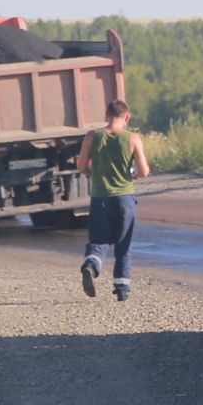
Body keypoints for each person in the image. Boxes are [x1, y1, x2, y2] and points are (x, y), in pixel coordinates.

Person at [76, 100, 149, 302]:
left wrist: (93, 172)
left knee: (98, 240)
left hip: (100, 198)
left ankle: (91, 266)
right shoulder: (133, 138)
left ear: (106, 114)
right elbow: (143, 171)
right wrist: (131, 172)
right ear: (127, 117)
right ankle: (122, 288)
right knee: (123, 245)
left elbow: (81, 166)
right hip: (124, 198)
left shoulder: (92, 136)